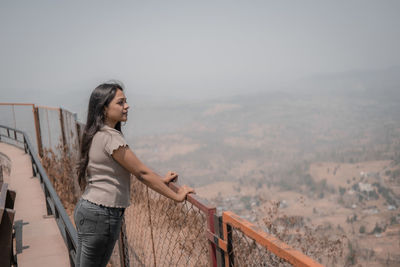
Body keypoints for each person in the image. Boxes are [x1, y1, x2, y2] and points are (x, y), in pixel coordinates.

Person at [74, 82, 195, 267]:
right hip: (102, 215)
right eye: (120, 103)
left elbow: (127, 169)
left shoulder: (96, 133)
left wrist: (161, 180)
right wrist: (177, 196)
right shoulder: (111, 138)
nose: (127, 106)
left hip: (87, 209)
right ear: (104, 108)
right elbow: (141, 172)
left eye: (126, 102)